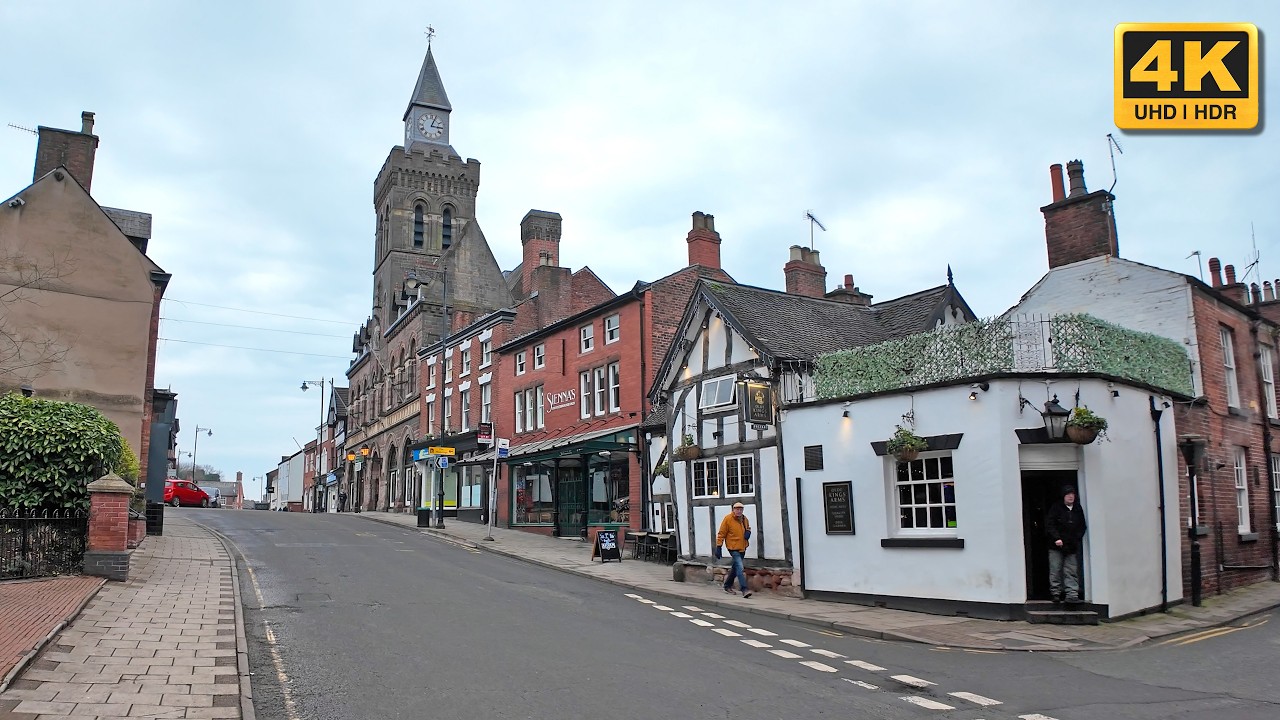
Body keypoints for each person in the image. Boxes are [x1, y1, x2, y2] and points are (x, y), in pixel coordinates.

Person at [1045, 485, 1087, 605]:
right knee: (1055, 569)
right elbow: (1050, 524)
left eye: (1072, 494)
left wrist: (1076, 539)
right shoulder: (1056, 508)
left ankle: (1072, 595)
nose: (1070, 496)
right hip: (1055, 546)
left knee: (1071, 570)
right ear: (1063, 496)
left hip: (1071, 546)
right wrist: (1056, 538)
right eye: (1068, 494)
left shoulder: (1077, 509)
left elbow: (1082, 526)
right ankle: (1056, 593)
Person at [714, 502, 753, 598]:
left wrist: (748, 532)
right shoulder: (728, 519)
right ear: (733, 510)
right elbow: (721, 533)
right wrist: (719, 546)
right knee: (740, 567)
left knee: (735, 568)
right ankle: (744, 589)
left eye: (741, 509)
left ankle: (727, 585)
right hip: (733, 547)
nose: (739, 511)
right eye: (737, 509)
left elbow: (748, 528)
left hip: (742, 546)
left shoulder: (744, 519)